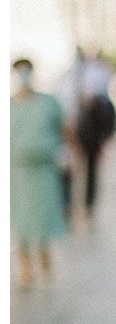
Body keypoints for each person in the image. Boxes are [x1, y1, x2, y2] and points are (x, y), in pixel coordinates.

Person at [11, 58, 69, 288]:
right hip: (17, 172)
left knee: (44, 216)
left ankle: (44, 257)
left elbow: (63, 128)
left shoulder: (48, 103)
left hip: (43, 169)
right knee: (20, 220)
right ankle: (24, 265)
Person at [60, 47, 116, 222]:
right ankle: (68, 205)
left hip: (88, 130)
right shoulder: (67, 77)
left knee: (90, 167)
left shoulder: (97, 73)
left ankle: (88, 205)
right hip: (71, 128)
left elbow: (102, 103)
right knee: (67, 167)